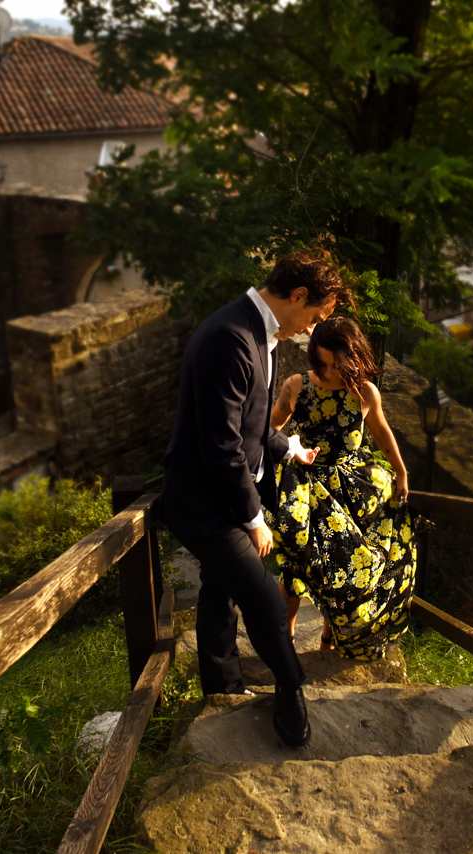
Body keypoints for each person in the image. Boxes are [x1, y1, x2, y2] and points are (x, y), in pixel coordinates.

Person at [158, 248, 352, 749]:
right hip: (204, 500)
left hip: (224, 489)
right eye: (313, 316)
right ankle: (291, 687)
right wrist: (253, 519)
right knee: (263, 596)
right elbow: (220, 444)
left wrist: (288, 447)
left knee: (219, 591)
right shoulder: (230, 337)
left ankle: (222, 687)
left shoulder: (257, 333)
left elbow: (249, 425)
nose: (311, 329)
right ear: (298, 296)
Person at [269, 316, 418, 661]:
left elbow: (380, 432)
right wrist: (288, 453)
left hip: (354, 491)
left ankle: (330, 638)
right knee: (294, 566)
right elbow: (269, 431)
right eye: (323, 364)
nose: (332, 371)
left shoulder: (364, 391)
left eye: (339, 364)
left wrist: (401, 471)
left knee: (344, 570)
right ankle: (284, 640)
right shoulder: (296, 386)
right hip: (306, 490)